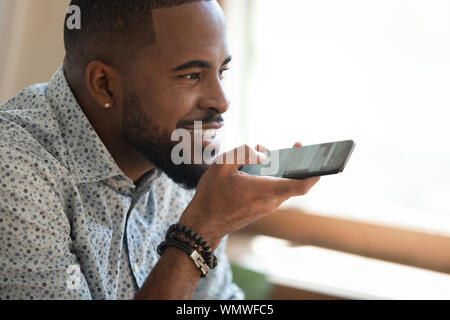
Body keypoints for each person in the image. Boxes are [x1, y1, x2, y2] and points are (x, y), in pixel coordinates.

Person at [0, 0, 320, 300]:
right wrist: (200, 230)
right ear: (104, 85)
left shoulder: (171, 154)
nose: (221, 101)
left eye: (221, 72)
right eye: (192, 75)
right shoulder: (14, 171)